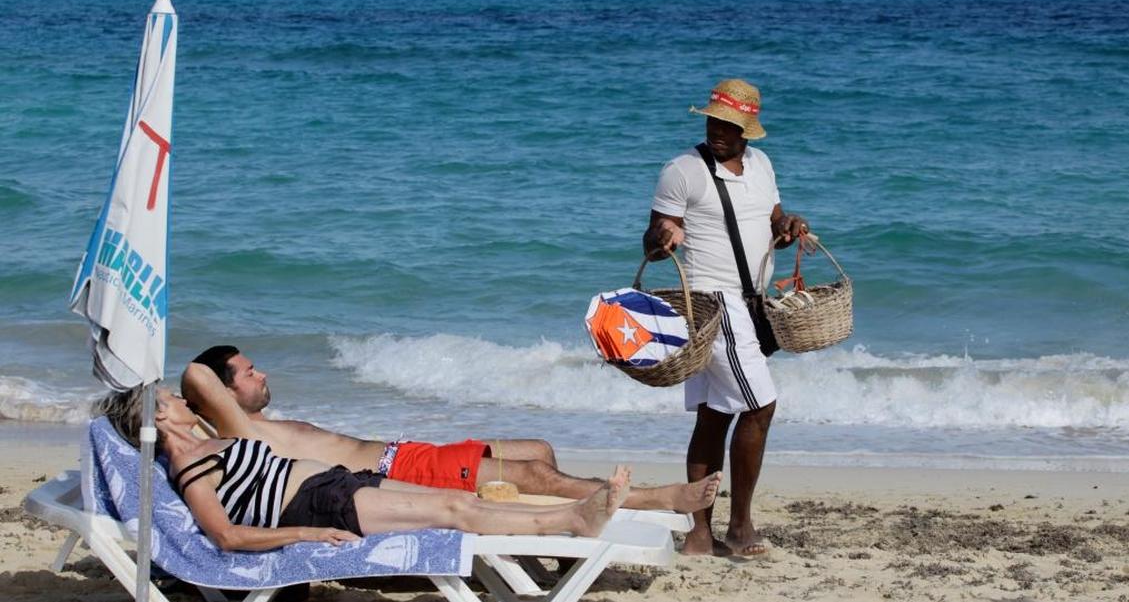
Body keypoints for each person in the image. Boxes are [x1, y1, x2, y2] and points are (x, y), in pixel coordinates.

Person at [182, 345, 720, 513]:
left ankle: (554, 535)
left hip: (406, 452)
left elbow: (204, 378)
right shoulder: (237, 434)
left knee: (539, 448)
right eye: (250, 372)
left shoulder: (255, 425)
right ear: (224, 394)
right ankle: (657, 498)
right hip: (394, 473)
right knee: (532, 472)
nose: (263, 373)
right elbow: (194, 374)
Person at [95, 387, 630, 550]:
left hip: (339, 484)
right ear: (162, 416)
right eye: (166, 396)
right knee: (456, 506)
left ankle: (572, 511)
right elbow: (228, 535)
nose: (178, 395)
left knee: (472, 500)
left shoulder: (205, 445)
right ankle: (574, 520)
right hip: (322, 503)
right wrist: (308, 532)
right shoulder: (188, 463)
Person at [641, 78, 809, 557]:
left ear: (747, 131)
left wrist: (788, 225)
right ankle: (739, 527)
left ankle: (698, 535)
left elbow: (773, 219)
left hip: (751, 303)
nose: (718, 130)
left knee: (715, 418)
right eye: (714, 120)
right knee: (760, 406)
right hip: (713, 303)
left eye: (729, 124)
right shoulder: (683, 170)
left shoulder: (762, 165)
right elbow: (652, 240)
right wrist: (661, 240)